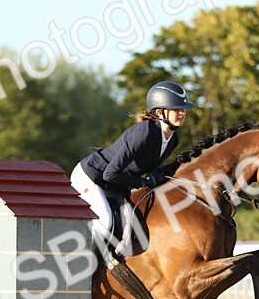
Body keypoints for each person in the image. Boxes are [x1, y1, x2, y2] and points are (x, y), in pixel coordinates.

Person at [71, 81, 198, 264]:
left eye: (184, 109)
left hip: (115, 184)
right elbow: (110, 173)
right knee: (106, 221)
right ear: (160, 112)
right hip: (91, 176)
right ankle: (82, 269)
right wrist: (144, 182)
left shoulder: (172, 140)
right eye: (176, 108)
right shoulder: (144, 132)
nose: (182, 113)